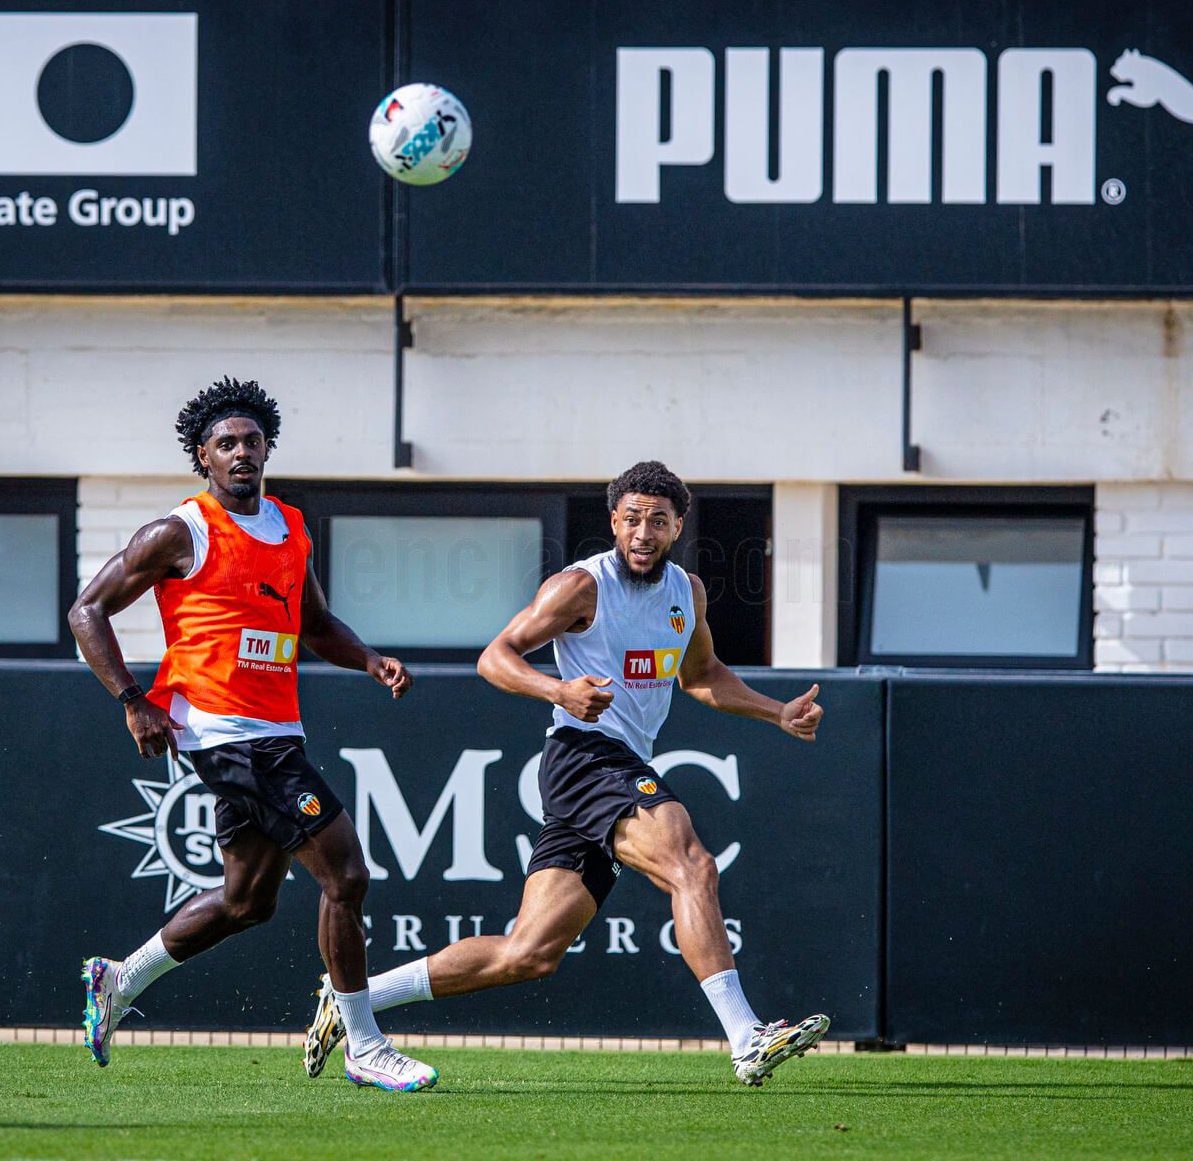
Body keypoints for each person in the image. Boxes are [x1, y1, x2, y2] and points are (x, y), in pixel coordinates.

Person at [303, 461, 829, 1086]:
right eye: (631, 519)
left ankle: (352, 998)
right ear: (613, 522)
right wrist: (559, 691)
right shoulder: (581, 587)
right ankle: (747, 1038)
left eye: (657, 521)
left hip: (615, 765)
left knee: (528, 954)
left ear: (678, 527)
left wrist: (778, 712)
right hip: (585, 757)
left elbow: (701, 676)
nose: (642, 532)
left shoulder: (687, 593)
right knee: (693, 865)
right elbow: (493, 658)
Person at [68, 376, 438, 1093]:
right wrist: (132, 700)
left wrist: (367, 659)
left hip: (275, 731)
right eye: (225, 443)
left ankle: (119, 979)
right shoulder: (181, 531)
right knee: (347, 874)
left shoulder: (290, 527)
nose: (241, 453)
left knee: (248, 901)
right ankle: (364, 1044)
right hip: (225, 732)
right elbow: (88, 610)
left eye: (252, 441)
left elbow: (315, 626)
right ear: (202, 457)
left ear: (267, 450)